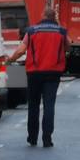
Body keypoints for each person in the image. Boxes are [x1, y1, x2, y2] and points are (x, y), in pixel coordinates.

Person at [6, 8, 68, 148]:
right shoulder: (61, 31)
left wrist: (10, 60)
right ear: (54, 18)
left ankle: (32, 137)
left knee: (33, 106)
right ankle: (47, 139)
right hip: (53, 73)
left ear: (42, 16)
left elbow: (21, 50)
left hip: (34, 73)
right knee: (49, 105)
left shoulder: (32, 31)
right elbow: (68, 46)